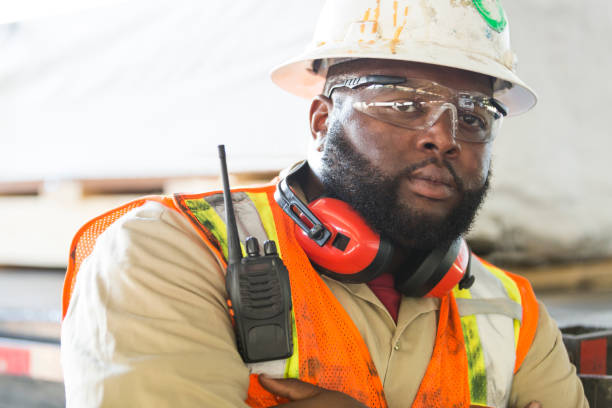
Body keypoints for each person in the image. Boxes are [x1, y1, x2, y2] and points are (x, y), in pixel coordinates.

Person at [61, 0, 588, 407]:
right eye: (403, 103)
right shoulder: (169, 254)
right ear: (320, 121)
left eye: (473, 117)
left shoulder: (511, 310)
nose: (444, 136)